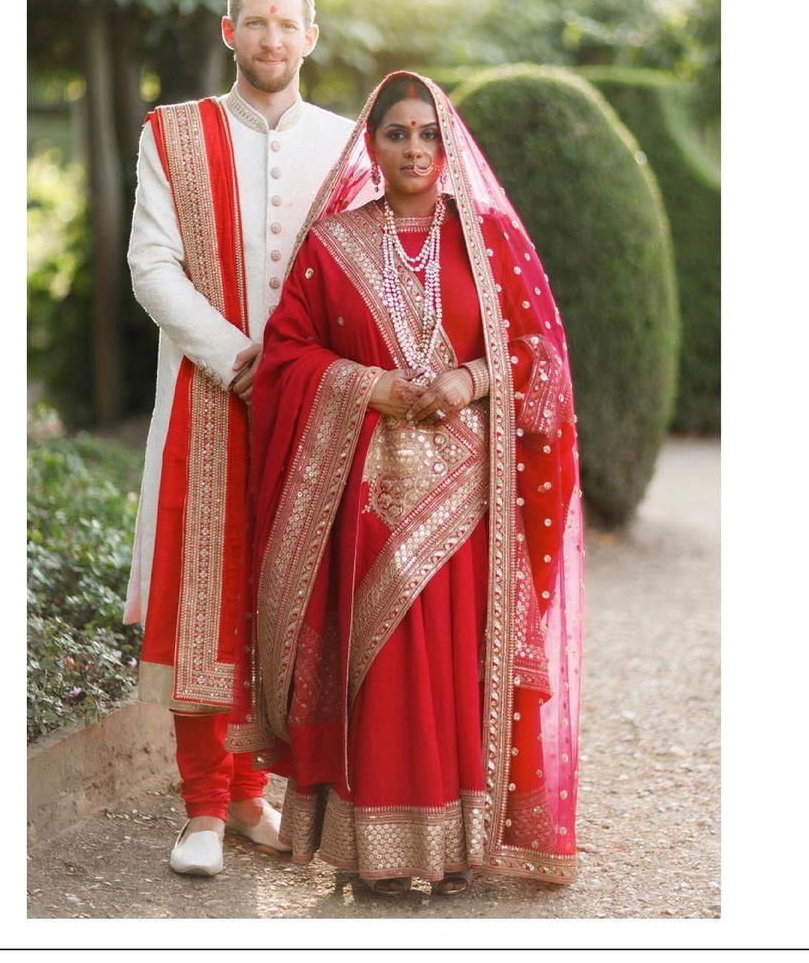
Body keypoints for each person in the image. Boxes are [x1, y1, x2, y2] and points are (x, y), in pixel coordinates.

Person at [227, 72, 585, 895]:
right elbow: (287, 358)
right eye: (398, 134)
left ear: (446, 142)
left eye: (427, 133)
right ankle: (377, 854)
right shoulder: (333, 244)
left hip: (469, 495)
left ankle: (459, 845)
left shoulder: (489, 239)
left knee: (460, 664)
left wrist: (468, 380)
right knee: (381, 665)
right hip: (365, 492)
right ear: (374, 144)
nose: (415, 148)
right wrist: (371, 387)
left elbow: (542, 354)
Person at [123, 0, 355, 878]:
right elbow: (150, 266)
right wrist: (235, 359)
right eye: (253, 21)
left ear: (308, 37)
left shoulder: (346, 145)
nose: (270, 37)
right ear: (230, 33)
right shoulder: (172, 135)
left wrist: (307, 373)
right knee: (200, 591)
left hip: (310, 406)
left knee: (284, 596)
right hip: (205, 398)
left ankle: (257, 794)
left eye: (284, 23)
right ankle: (202, 813)